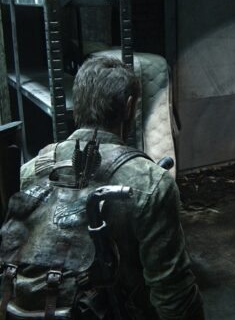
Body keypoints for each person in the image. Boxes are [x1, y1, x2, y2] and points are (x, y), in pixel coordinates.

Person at [19, 56, 205, 320]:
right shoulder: (151, 182)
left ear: (78, 104)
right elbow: (173, 294)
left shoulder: (30, 170)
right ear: (129, 107)